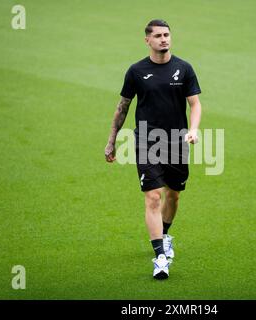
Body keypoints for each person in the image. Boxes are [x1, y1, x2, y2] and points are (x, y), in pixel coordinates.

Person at [104, 19, 202, 279]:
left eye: (167, 34)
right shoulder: (136, 71)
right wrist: (112, 140)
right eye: (158, 35)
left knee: (174, 195)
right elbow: (122, 107)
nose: (164, 39)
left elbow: (195, 104)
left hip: (177, 141)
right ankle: (160, 257)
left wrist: (193, 129)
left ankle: (165, 234)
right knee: (153, 197)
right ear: (147, 40)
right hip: (147, 140)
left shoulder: (184, 68)